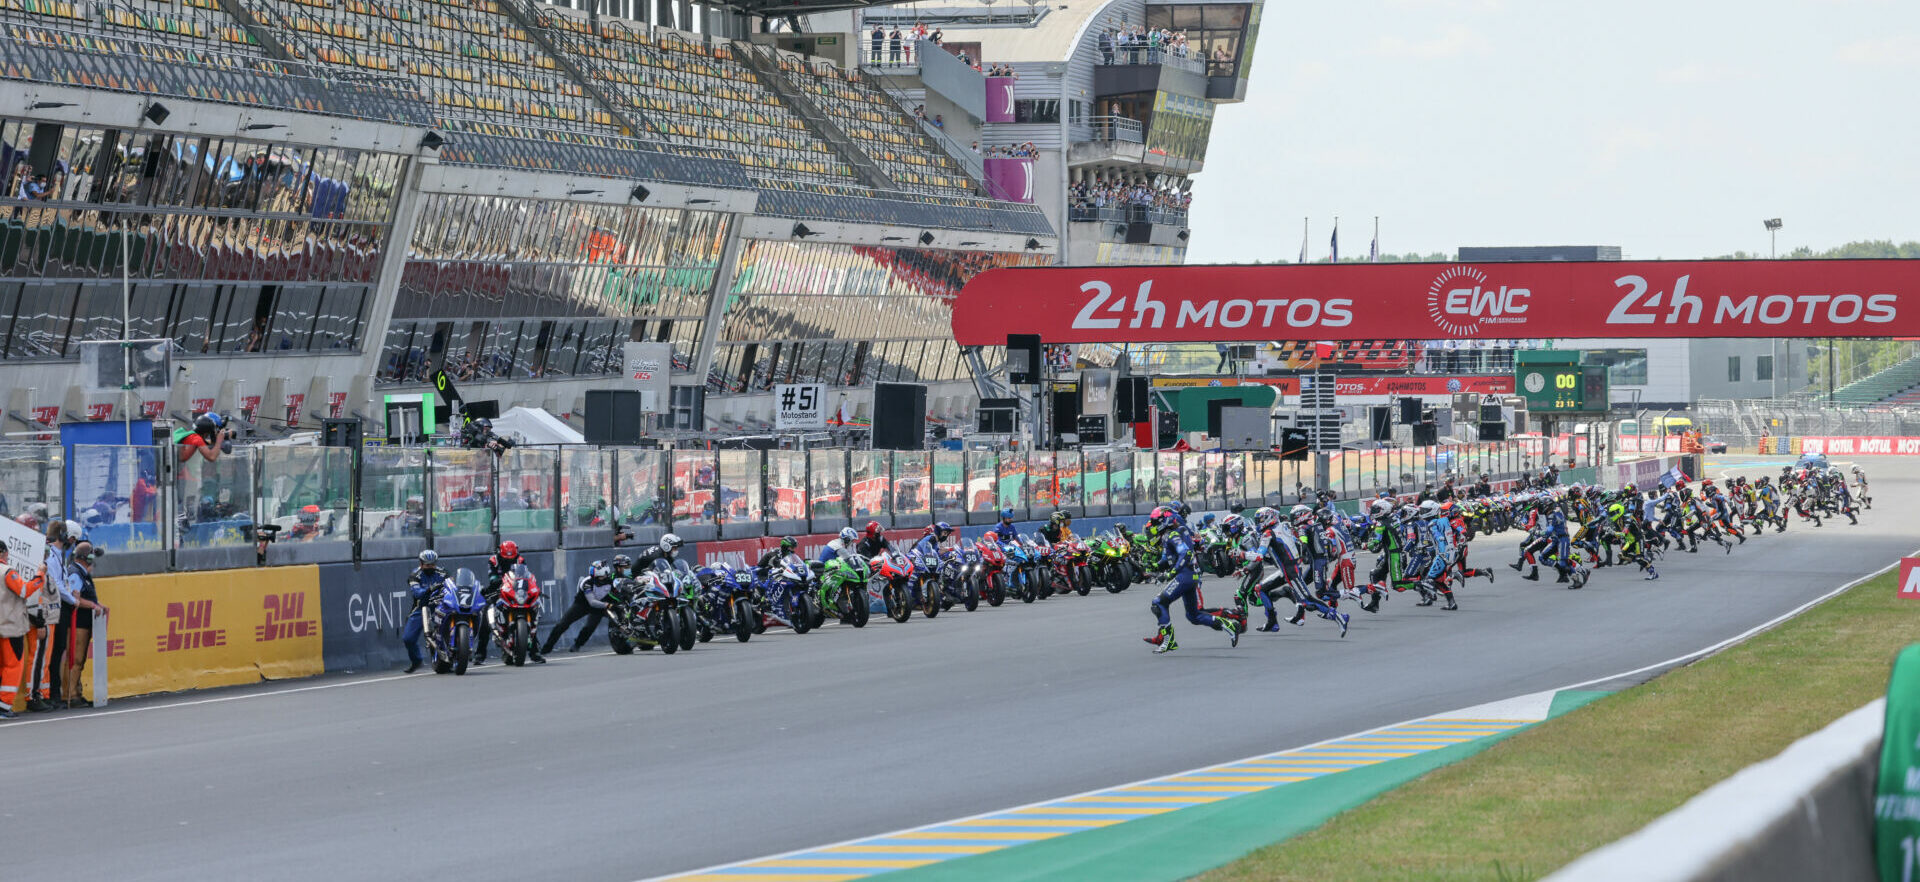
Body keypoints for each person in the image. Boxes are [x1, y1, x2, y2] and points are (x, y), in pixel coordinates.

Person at [1143, 508, 1240, 652]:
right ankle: (1229, 625)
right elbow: (1166, 559)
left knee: (1158, 603)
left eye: (1156, 522)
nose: (1153, 525)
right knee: (1193, 616)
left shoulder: (1173, 535)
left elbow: (1185, 553)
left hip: (1185, 576)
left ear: (1165, 521)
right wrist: (1154, 566)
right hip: (1190, 576)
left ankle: (1168, 641)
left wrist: (1170, 574)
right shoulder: (1171, 535)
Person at [544, 554, 628, 654]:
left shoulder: (611, 581)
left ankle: (578, 645)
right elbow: (592, 602)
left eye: (600, 577)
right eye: (595, 577)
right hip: (582, 604)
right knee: (563, 624)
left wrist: (618, 604)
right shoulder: (587, 582)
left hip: (600, 604)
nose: (597, 580)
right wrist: (607, 605)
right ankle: (547, 647)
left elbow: (619, 594)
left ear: (606, 575)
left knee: (590, 627)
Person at [59, 541, 106, 707]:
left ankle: (76, 692)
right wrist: (93, 605)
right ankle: (69, 695)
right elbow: (74, 597)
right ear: (87, 558)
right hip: (77, 623)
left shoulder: (82, 574)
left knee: (80, 660)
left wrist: (98, 604)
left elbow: (84, 596)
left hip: (83, 623)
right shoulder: (75, 574)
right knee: (75, 659)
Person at [401, 550, 447, 673]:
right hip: (422, 607)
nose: (430, 567)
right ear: (421, 564)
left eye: (432, 564)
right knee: (408, 638)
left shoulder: (443, 573)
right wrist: (428, 590)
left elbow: (452, 585)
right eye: (427, 565)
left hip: (441, 605)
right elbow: (416, 593)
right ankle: (417, 661)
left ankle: (453, 656)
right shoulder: (415, 575)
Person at [0, 542, 31, 719]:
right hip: (10, 626)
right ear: (3, 553)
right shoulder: (7, 571)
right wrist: (40, 575)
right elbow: (25, 590)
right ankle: (4, 707)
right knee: (12, 666)